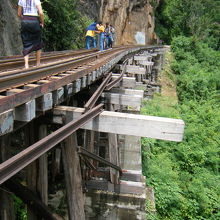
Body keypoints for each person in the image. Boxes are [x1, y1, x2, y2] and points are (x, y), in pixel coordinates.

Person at [18, 0, 44, 69]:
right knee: (38, 42)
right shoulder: (36, 0)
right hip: (34, 21)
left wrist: (25, 19)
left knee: (26, 42)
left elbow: (19, 13)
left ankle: (26, 65)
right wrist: (42, 22)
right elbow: (41, 13)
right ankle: (38, 63)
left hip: (25, 21)